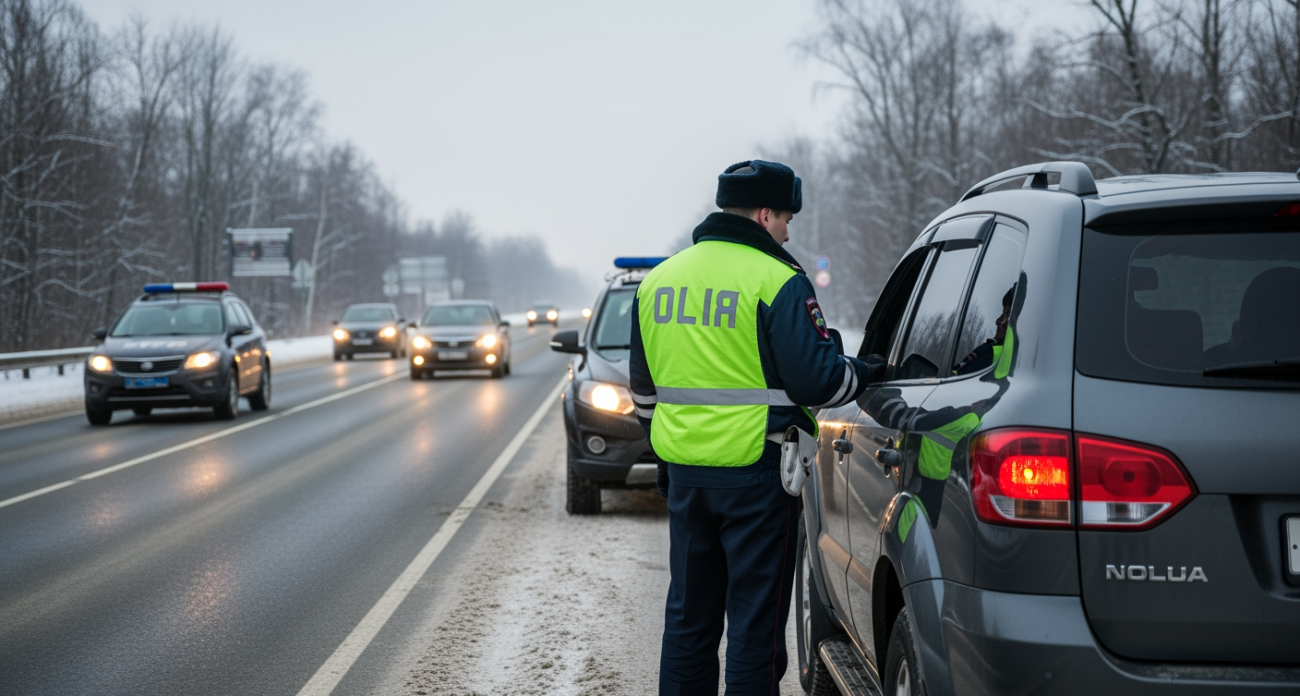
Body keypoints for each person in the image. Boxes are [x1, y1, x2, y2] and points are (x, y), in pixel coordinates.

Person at [629, 160, 872, 695]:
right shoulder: (777, 280)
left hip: (687, 480)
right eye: (786, 219)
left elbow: (645, 395)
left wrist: (673, 451)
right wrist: (867, 372)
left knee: (689, 625)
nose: (787, 231)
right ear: (765, 215)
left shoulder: (659, 283)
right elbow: (818, 383)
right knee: (753, 632)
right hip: (759, 480)